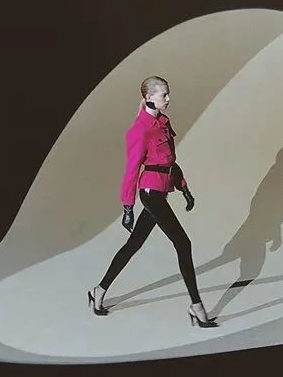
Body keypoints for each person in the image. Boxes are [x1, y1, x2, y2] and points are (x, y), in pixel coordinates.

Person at [87, 75, 217, 327]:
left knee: (134, 244)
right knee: (183, 243)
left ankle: (98, 291)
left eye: (168, 93)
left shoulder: (163, 122)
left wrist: (183, 188)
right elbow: (131, 170)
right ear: (148, 98)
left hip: (162, 189)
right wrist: (127, 206)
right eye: (163, 94)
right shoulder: (140, 129)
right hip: (150, 193)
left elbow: (169, 161)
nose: (168, 98)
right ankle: (196, 306)